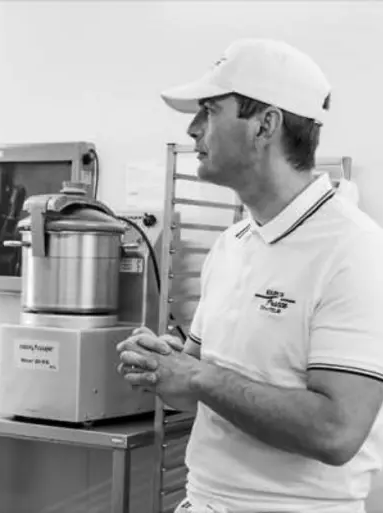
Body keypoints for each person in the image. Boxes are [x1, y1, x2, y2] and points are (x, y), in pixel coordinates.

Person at [117, 39, 383, 513]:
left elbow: (337, 431)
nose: (193, 128)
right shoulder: (233, 244)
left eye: (209, 111)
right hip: (203, 501)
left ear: (266, 125)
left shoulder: (354, 249)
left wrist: (198, 376)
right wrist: (163, 367)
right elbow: (193, 395)